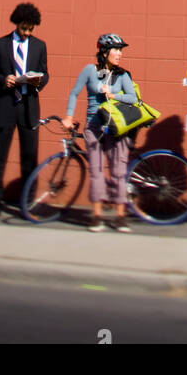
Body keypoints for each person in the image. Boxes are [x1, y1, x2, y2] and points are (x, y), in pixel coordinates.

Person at [61, 33, 136, 232]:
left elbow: (133, 98)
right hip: (94, 128)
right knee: (96, 171)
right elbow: (74, 93)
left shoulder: (123, 75)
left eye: (121, 50)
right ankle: (96, 215)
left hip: (115, 128)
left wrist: (113, 94)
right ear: (104, 52)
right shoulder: (90, 70)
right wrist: (68, 117)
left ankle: (120, 216)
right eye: (116, 50)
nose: (119, 54)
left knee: (118, 172)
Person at [0, 2, 49, 218]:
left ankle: (26, 205)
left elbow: (46, 74)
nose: (27, 33)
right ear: (16, 24)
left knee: (29, 156)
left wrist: (37, 81)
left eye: (31, 29)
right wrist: (4, 80)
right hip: (6, 106)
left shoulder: (39, 46)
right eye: (23, 28)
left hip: (29, 107)